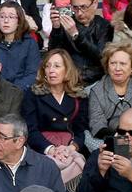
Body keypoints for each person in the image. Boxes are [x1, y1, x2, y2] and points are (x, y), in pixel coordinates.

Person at [23, 48, 90, 180]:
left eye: (57, 66)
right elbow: (30, 129)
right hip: (42, 148)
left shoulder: (78, 96)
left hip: (69, 148)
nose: (51, 70)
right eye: (47, 66)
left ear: (67, 70)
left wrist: (70, 148)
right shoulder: (32, 94)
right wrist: (51, 149)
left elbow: (80, 130)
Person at [86, 42, 132, 151]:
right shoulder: (97, 90)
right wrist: (121, 138)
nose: (117, 68)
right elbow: (96, 123)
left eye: (123, 64)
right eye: (113, 63)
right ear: (107, 66)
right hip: (110, 137)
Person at [48, 0, 114, 84]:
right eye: (75, 8)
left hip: (98, 80)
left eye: (83, 7)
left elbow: (101, 57)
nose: (79, 13)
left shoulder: (104, 26)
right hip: (70, 79)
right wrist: (56, 28)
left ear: (95, 3)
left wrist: (76, 35)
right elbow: (53, 54)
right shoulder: (67, 24)